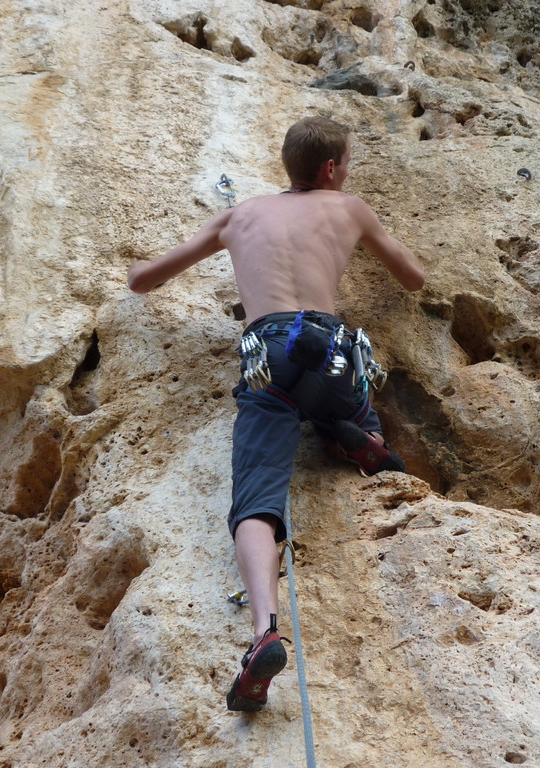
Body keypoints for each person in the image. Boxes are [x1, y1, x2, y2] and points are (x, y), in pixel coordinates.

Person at [127, 116, 424, 712]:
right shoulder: (349, 207)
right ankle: (357, 434)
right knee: (342, 386)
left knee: (255, 502)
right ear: (331, 169)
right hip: (333, 347)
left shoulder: (241, 215)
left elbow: (141, 280)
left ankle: (265, 629)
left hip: (267, 355)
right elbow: (414, 278)